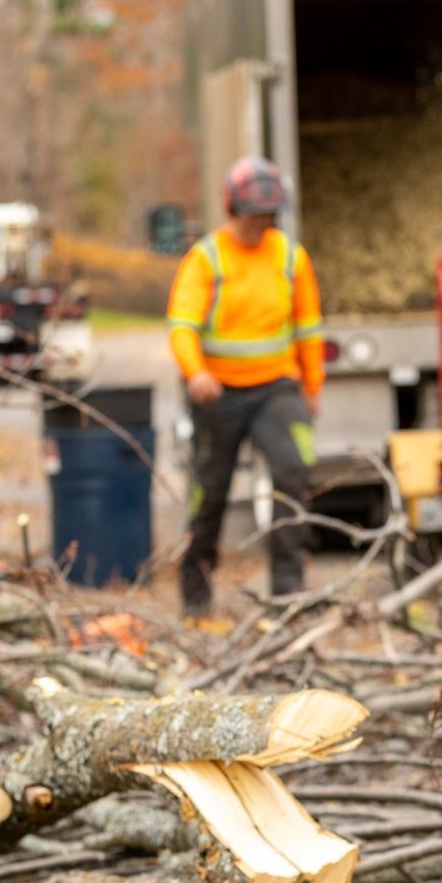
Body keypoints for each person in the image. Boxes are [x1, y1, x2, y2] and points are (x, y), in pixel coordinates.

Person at [166, 157, 323, 616]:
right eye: (255, 215)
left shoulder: (291, 258)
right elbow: (181, 325)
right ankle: (195, 593)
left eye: (269, 216)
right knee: (209, 491)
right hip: (219, 394)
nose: (262, 225)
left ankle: (288, 591)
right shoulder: (207, 259)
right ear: (233, 210)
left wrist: (312, 386)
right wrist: (195, 371)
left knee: (292, 471)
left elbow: (308, 329)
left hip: (276, 389)